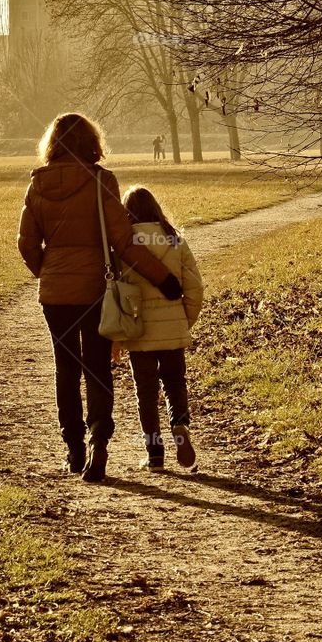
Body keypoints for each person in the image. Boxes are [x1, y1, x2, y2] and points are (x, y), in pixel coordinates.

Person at [18, 113, 183, 483]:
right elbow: (124, 242)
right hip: (96, 289)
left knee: (66, 369)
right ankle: (99, 446)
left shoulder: (37, 185)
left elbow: (26, 243)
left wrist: (48, 272)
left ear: (53, 143)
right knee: (96, 368)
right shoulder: (101, 182)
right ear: (91, 142)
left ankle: (73, 449)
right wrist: (164, 279)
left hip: (56, 294)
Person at [116, 185, 204, 470]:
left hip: (138, 329)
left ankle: (154, 453)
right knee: (175, 383)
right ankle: (180, 426)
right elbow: (195, 288)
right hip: (172, 329)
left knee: (146, 392)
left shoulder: (123, 244)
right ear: (156, 208)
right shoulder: (174, 239)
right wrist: (183, 321)